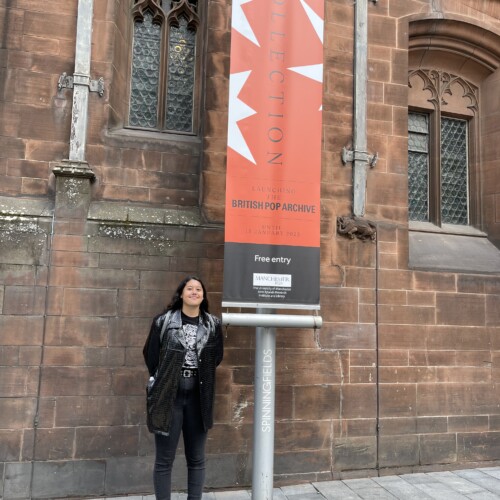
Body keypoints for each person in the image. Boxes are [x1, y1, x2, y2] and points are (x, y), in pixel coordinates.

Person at [143, 276, 224, 500]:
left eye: (199, 289)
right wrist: (168, 377)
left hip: (199, 395)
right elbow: (151, 356)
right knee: (164, 459)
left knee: (197, 458)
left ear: (203, 296)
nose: (194, 292)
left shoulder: (213, 324)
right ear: (181, 294)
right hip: (169, 394)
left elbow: (216, 357)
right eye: (190, 288)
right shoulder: (163, 321)